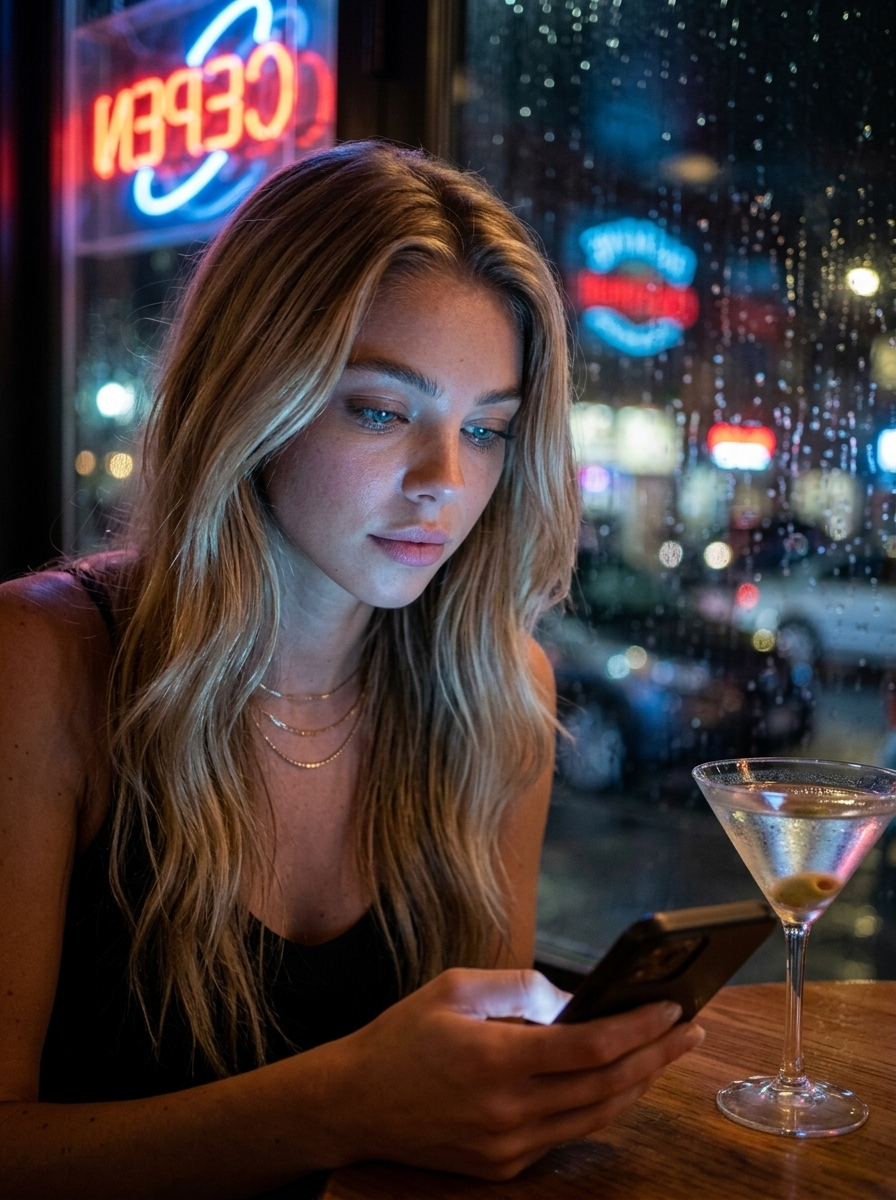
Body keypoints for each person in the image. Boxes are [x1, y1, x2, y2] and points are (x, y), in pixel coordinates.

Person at [0, 142, 703, 1198]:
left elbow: (478, 1084)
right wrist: (337, 1105)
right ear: (249, 392)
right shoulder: (43, 659)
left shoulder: (500, 691)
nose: (445, 484)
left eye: (487, 429)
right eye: (379, 411)